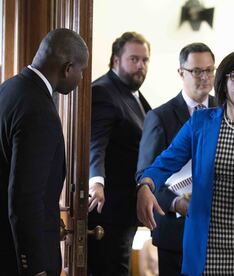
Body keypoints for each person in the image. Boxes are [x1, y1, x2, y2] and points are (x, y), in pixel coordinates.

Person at [136, 50, 234, 276]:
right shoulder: (201, 123)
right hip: (207, 246)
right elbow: (164, 163)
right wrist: (145, 185)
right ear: (223, 83)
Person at [0, 28, 88, 276]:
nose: (81, 78)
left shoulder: (9, 89)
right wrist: (34, 266)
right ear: (67, 68)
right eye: (81, 71)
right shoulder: (39, 111)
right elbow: (25, 199)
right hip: (19, 259)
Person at [137, 42, 215, 275]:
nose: (204, 77)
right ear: (181, 73)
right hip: (175, 230)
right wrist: (177, 203)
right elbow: (145, 175)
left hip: (218, 231)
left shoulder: (226, 111)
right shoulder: (159, 117)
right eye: (197, 71)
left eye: (209, 70)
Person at [88, 32, 151, 275]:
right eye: (134, 59)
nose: (140, 66)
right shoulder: (104, 92)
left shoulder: (133, 95)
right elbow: (96, 143)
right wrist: (96, 181)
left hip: (126, 210)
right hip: (109, 210)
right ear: (116, 60)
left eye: (145, 60)